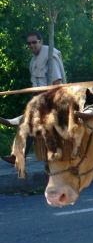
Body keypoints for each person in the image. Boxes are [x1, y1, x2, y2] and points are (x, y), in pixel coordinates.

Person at [2, 31, 67, 165]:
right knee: (28, 122)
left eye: (34, 42)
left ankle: (18, 155)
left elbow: (57, 83)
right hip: (39, 101)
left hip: (53, 100)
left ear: (41, 41)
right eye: (29, 43)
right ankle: (18, 155)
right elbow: (36, 86)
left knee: (28, 121)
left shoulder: (50, 56)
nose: (31, 45)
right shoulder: (33, 60)